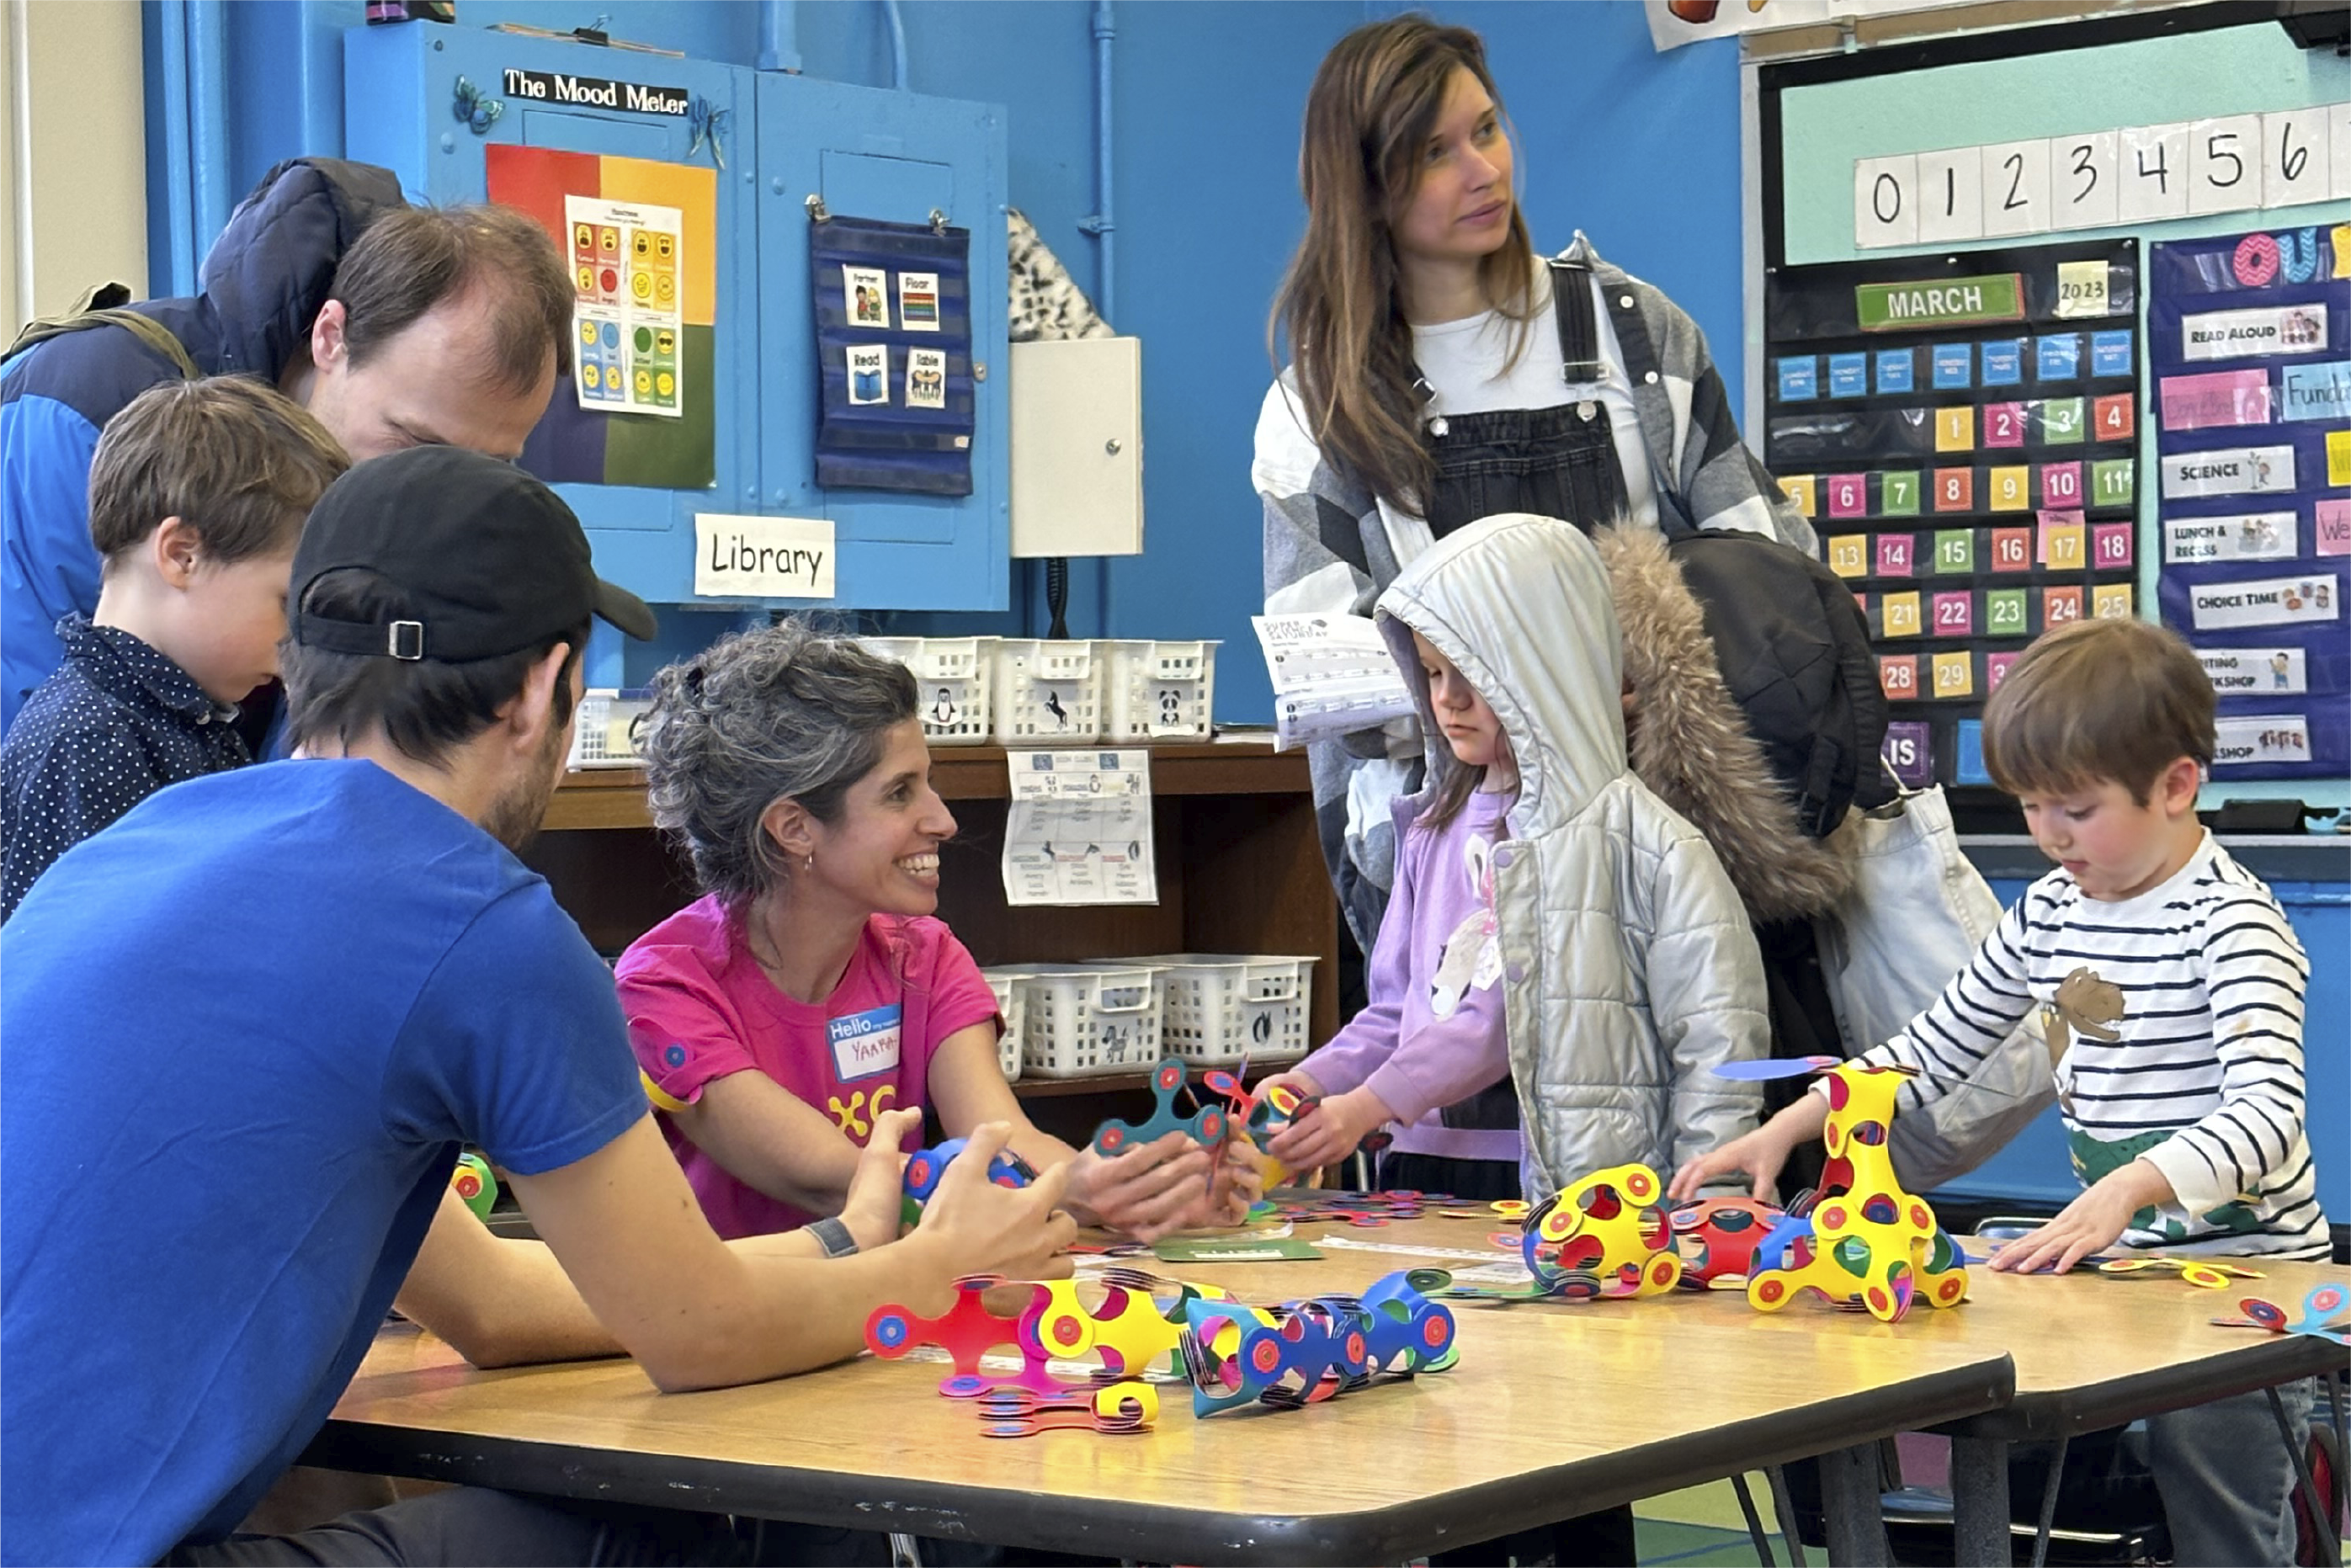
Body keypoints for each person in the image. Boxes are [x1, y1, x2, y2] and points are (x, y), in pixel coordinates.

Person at [0, 447, 1072, 1568]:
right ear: (538, 690)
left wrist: (842, 1241)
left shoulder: (129, 850)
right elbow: (695, 1334)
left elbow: (497, 1302)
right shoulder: (478, 923)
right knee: (711, 1539)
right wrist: (932, 1268)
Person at [1673, 617, 2322, 1568]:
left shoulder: (2232, 923)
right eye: (2032, 807)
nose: (2052, 836)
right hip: (2127, 1275)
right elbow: (1936, 1046)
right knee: (2063, 1502)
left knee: (2223, 1528)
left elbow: (2268, 1115)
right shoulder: (2050, 913)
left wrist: (2129, 1187)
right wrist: (1795, 1122)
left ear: (2177, 785)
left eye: (2078, 808)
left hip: (2248, 1290)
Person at [1259, 513, 1769, 1568]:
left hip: (1569, 1207)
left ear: (1542, 661)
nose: (1446, 701)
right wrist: (1306, 1087)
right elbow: (1397, 1013)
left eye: (1472, 674)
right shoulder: (1435, 829)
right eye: (1431, 673)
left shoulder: (1645, 845)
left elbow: (1684, 1032)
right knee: (1435, 1455)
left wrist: (1706, 1193)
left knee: (1574, 1474)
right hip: (1425, 1196)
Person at [1257, 16, 1811, 956]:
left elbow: (1775, 571)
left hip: (1677, 858)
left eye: (1486, 129)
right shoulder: (1320, 408)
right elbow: (1339, 701)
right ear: (1365, 188)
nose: (1484, 170)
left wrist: (1656, 671)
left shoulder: (1634, 337)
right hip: (1476, 898)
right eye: (1434, 153)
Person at [618, 623, 1253, 1245]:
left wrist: (1147, 1182)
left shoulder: (924, 952)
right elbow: (827, 1179)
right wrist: (1072, 1188)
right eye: (899, 793)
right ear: (794, 827)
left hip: (902, 1317)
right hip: (742, 1332)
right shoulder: (665, 986)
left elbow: (1004, 1138)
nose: (944, 820)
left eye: (929, 781)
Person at [0, 156, 573, 728]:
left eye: (488, 467)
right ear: (331, 338)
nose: (437, 497)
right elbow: (58, 754)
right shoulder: (86, 410)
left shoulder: (384, 495)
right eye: (414, 442)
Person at [0, 378, 347, 922]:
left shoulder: (186, 720)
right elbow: (74, 972)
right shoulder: (90, 743)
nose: (293, 651)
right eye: (284, 604)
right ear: (182, 555)